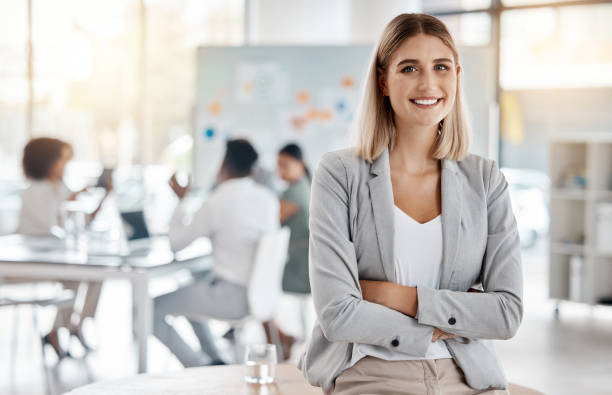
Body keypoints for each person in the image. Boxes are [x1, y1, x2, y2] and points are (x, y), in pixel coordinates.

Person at [299, 14, 523, 395]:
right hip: (371, 375)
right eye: (409, 68)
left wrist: (397, 296)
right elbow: (337, 314)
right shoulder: (340, 174)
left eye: (441, 67)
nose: (428, 83)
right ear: (384, 81)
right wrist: (444, 321)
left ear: (456, 75)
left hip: (466, 376)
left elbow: (506, 313)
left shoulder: (485, 180)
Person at [154, 139, 279, 367]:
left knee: (150, 309)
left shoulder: (217, 202)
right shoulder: (268, 200)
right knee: (192, 287)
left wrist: (181, 201)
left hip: (231, 299)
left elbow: (176, 243)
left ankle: (199, 366)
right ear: (252, 169)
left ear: (222, 166)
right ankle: (214, 360)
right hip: (260, 295)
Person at [16, 137, 111, 357]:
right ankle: (59, 330)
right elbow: (54, 223)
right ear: (47, 161)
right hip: (30, 261)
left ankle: (75, 325)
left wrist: (105, 196)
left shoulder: (60, 187)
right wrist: (72, 198)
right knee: (74, 277)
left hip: (57, 258)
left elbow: (83, 220)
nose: (65, 165)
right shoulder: (35, 191)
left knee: (97, 273)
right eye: (62, 160)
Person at [263, 143, 311, 359]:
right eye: (278, 165)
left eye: (285, 165)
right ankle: (280, 335)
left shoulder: (295, 191)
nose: (280, 170)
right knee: (258, 288)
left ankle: (278, 337)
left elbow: (269, 221)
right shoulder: (304, 185)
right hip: (304, 261)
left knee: (257, 286)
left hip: (302, 268)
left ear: (300, 164)